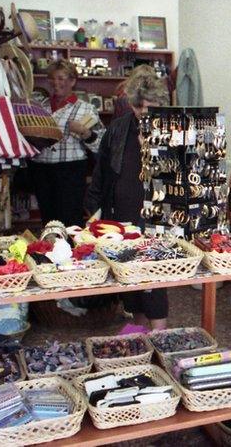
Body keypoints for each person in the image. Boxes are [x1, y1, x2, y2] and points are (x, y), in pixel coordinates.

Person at [85, 65, 170, 329]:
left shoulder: (170, 129)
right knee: (129, 274)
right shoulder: (118, 129)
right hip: (122, 213)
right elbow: (101, 172)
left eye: (151, 107)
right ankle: (141, 332)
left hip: (156, 213)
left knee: (154, 274)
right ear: (132, 104)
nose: (145, 112)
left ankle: (160, 334)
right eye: (140, 107)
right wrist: (92, 209)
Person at [30, 60, 105, 226]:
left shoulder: (85, 109)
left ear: (72, 81)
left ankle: (72, 251)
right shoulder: (40, 107)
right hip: (41, 170)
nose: (56, 83)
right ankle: (48, 251)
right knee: (47, 219)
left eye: (61, 78)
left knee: (70, 220)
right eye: (52, 78)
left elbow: (100, 144)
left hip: (70, 172)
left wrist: (85, 132)